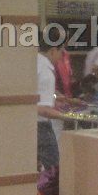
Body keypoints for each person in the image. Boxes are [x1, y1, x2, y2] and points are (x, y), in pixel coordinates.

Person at [37, 37, 69, 170]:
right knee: (53, 169)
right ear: (53, 51)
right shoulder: (46, 71)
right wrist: (67, 116)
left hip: (27, 125)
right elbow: (43, 109)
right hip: (40, 126)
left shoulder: (33, 62)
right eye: (61, 52)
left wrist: (54, 97)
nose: (62, 56)